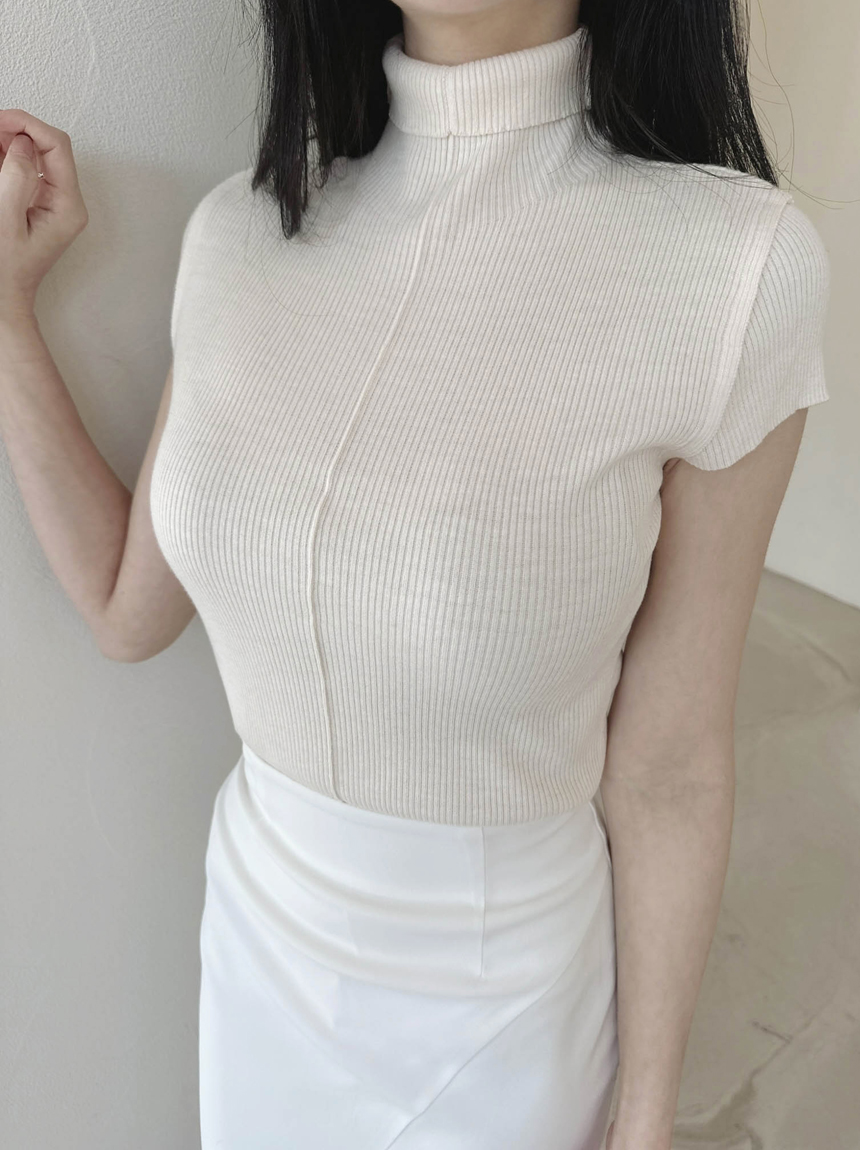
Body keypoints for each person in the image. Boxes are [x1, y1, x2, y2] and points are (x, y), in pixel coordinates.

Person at [0, 1, 831, 1148]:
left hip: (498, 1010)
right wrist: (7, 318)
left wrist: (643, 1118)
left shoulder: (730, 269)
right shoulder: (241, 234)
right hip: (256, 948)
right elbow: (122, 609)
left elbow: (668, 767)